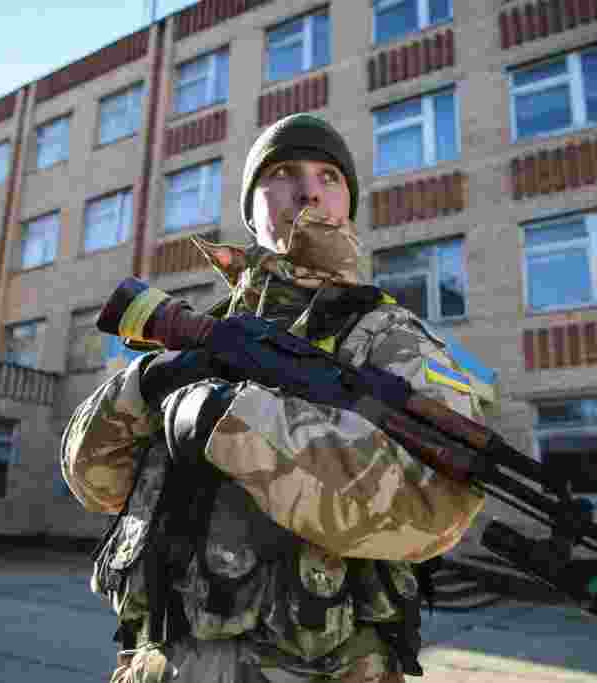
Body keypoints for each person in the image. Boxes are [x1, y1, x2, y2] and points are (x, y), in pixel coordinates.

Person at [61, 113, 494, 683]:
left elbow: (434, 506)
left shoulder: (390, 335)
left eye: (330, 177)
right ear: (250, 207)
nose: (310, 189)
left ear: (348, 204)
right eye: (283, 172)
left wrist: (228, 418)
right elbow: (96, 482)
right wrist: (144, 385)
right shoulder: (203, 332)